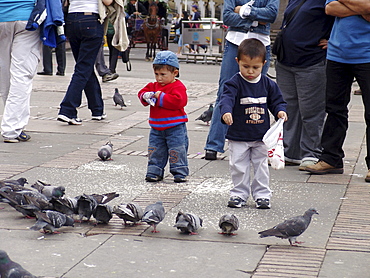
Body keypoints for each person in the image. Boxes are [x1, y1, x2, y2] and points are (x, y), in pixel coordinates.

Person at [204, 0, 279, 160]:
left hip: (260, 44)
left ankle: (256, 141)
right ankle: (214, 145)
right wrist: (256, 17)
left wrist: (243, 11)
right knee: (225, 91)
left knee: (258, 94)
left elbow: (271, 14)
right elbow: (228, 17)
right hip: (235, 42)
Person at [305, 0, 370, 182]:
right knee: (334, 109)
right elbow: (330, 8)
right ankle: (331, 158)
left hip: (367, 53)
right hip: (337, 54)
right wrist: (361, 10)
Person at [219, 39, 287, 209]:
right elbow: (226, 98)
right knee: (238, 166)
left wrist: (280, 110)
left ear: (264, 64)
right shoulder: (233, 83)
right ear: (237, 62)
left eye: (255, 68)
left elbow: (277, 101)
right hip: (238, 135)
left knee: (261, 166)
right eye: (245, 66)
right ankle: (238, 194)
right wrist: (226, 112)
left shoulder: (268, 84)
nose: (250, 71)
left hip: (260, 136)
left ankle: (262, 195)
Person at [275, 0, 334, 170]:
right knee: (289, 108)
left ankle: (311, 152)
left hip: (311, 61)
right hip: (286, 60)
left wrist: (333, 40)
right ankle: (290, 151)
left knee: (311, 110)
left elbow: (341, 19)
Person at [57, 0, 113, 125]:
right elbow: (108, 2)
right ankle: (67, 110)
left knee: (85, 66)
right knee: (83, 68)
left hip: (72, 20)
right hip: (91, 20)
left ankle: (97, 109)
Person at [138, 51, 189, 183]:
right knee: (155, 150)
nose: (159, 78)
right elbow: (142, 93)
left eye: (163, 75)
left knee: (177, 150)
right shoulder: (153, 86)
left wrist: (160, 97)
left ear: (175, 73)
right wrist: (145, 96)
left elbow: (179, 101)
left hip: (175, 127)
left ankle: (179, 171)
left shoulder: (178, 86)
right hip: (156, 127)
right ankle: (154, 171)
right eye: (156, 74)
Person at [0, 0, 42, 143]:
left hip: (1, 19)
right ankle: (11, 129)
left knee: (4, 74)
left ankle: (14, 124)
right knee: (21, 75)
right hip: (26, 19)